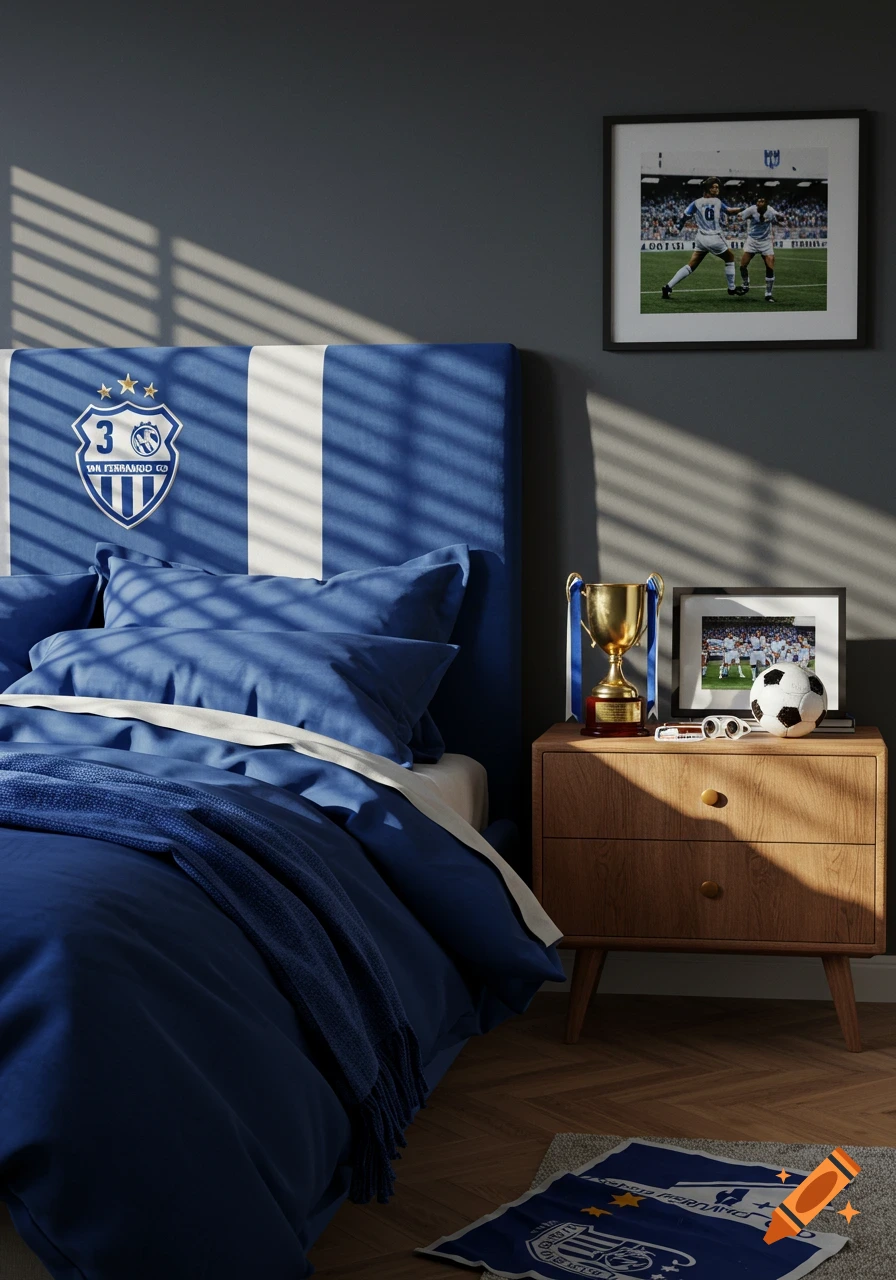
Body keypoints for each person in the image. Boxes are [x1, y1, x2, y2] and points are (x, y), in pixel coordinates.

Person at [662, 178, 745, 299]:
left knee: (691, 265)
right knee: (730, 258)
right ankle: (731, 288)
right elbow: (729, 211)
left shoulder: (696, 203)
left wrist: (678, 229)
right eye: (715, 187)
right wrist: (744, 209)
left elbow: (685, 216)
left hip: (701, 238)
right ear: (708, 189)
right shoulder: (717, 201)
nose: (717, 189)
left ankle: (668, 287)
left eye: (717, 187)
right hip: (714, 237)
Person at [739, 195, 785, 302]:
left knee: (770, 267)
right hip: (752, 241)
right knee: (742, 265)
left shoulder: (771, 211)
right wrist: (740, 215)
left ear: (766, 203)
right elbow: (740, 216)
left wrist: (779, 218)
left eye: (762, 201)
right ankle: (745, 285)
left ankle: (768, 294)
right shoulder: (751, 210)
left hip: (766, 241)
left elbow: (780, 219)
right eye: (758, 201)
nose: (759, 203)